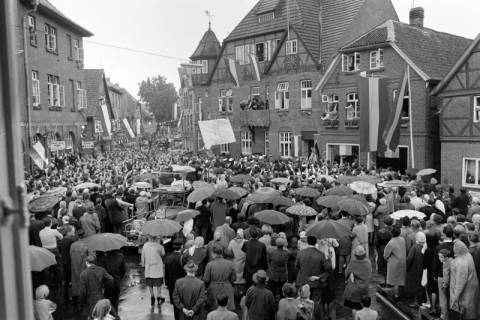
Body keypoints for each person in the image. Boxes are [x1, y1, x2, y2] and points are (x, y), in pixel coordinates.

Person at [450, 241, 480, 320]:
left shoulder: (461, 262)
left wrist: (455, 298)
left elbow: (460, 283)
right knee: (473, 310)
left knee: (466, 314)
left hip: (466, 291)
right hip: (472, 288)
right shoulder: (468, 255)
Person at [295, 236, 331, 302]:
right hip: (316, 283)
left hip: (303, 282)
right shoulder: (321, 254)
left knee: (303, 303)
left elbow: (296, 266)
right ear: (316, 242)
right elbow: (328, 268)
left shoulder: (300, 253)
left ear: (307, 242)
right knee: (315, 303)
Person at [203, 244, 236, 311]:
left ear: (214, 254)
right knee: (227, 310)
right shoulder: (230, 263)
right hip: (227, 288)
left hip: (213, 289)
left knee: (214, 309)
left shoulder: (210, 264)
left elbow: (206, 279)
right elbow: (234, 278)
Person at [344, 246, 372, 316]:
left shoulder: (353, 262)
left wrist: (346, 280)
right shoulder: (368, 262)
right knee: (363, 308)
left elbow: (346, 273)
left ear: (355, 255)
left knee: (354, 307)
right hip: (365, 288)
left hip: (355, 290)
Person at [141, 235, 166, 307]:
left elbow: (143, 255)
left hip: (148, 266)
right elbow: (163, 254)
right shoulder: (159, 246)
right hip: (157, 266)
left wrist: (143, 263)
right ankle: (159, 296)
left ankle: (152, 296)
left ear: (149, 237)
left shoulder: (145, 246)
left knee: (150, 281)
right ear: (156, 238)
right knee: (158, 281)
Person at [165, 239, 186, 319]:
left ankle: (176, 318)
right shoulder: (182, 258)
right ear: (181, 247)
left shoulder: (168, 257)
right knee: (182, 302)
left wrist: (167, 283)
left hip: (171, 283)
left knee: (174, 302)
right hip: (181, 283)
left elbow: (166, 272)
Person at [384, 225, 406, 299]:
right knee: (401, 279)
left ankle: (396, 296)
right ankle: (401, 294)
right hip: (403, 261)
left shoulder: (391, 242)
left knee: (395, 281)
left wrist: (387, 259)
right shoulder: (402, 239)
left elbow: (386, 254)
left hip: (394, 263)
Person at [405, 231, 425, 307]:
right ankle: (421, 300)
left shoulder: (415, 247)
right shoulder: (425, 246)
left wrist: (407, 267)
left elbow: (409, 259)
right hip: (422, 269)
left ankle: (416, 302)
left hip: (414, 269)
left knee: (414, 286)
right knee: (421, 285)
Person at [70, 230, 89, 305]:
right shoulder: (86, 245)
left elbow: (70, 254)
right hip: (83, 265)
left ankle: (75, 297)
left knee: (75, 281)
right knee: (83, 281)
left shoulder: (72, 245)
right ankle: (83, 298)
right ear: (84, 236)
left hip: (74, 265)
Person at [59, 224, 76, 302]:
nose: (74, 232)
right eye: (73, 231)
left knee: (66, 280)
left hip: (64, 261)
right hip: (70, 261)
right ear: (70, 231)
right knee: (71, 279)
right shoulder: (72, 240)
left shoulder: (63, 239)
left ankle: (65, 296)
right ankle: (72, 296)